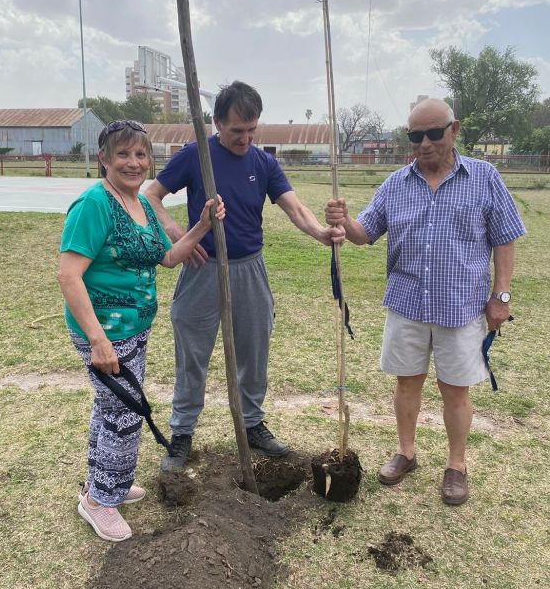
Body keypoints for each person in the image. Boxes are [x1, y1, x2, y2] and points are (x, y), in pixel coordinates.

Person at [325, 98, 525, 505]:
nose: (425, 143)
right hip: (407, 303)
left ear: (455, 129)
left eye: (434, 133)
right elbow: (366, 234)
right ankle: (406, 452)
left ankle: (456, 465)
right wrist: (344, 220)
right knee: (407, 382)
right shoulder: (395, 184)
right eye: (416, 136)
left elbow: (505, 238)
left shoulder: (484, 177)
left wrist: (500, 296)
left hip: (461, 306)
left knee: (455, 390)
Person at [146, 81, 344, 471]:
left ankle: (252, 424)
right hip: (203, 270)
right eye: (237, 130)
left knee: (254, 354)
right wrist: (181, 237)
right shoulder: (195, 156)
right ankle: (182, 433)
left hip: (250, 269)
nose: (245, 138)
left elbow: (294, 208)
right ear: (217, 122)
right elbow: (150, 196)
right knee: (192, 356)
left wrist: (321, 233)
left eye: (252, 130)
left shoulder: (263, 163)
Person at [57, 119, 224, 541]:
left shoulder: (141, 204)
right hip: (105, 332)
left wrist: (202, 225)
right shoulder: (94, 205)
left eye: (141, 155)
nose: (134, 163)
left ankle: (103, 484)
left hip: (135, 328)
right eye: (124, 154)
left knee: (111, 408)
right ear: (103, 159)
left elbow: (168, 258)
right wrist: (98, 340)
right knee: (124, 415)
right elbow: (69, 276)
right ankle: (100, 502)